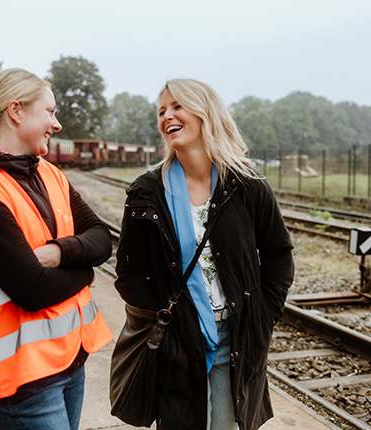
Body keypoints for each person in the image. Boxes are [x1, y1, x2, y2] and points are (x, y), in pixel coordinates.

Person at [0, 68, 113, 430]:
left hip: (69, 361)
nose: (56, 124)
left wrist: (60, 253)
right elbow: (33, 290)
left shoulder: (49, 174)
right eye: (49, 111)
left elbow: (102, 238)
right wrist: (86, 270)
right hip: (22, 377)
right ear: (16, 111)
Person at [114, 79, 294, 430]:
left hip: (236, 332)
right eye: (162, 111)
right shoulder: (147, 191)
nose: (167, 116)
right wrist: (162, 320)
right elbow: (129, 273)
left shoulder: (246, 184)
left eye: (177, 106)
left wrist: (263, 314)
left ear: (205, 113)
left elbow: (278, 253)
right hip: (178, 337)